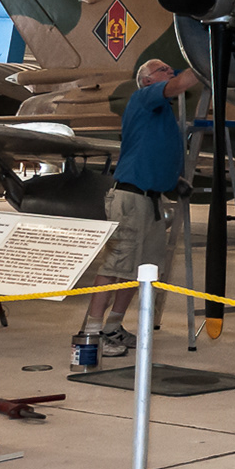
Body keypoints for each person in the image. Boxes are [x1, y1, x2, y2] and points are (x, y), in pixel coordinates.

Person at [83, 58, 198, 357]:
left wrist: (173, 180)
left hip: (151, 199)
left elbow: (151, 151)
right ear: (146, 80)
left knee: (142, 270)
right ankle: (91, 334)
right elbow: (181, 83)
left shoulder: (161, 113)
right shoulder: (145, 97)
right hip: (131, 199)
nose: (169, 71)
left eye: (169, 69)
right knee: (114, 266)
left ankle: (113, 327)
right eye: (163, 70)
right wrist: (206, 61)